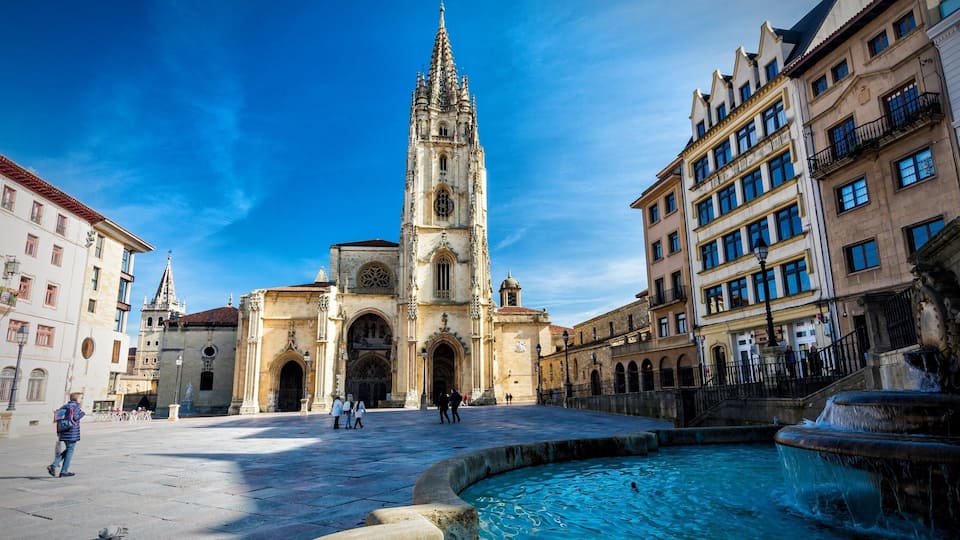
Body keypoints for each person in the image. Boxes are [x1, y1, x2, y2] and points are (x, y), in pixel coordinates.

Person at [48, 392, 85, 478]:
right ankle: (63, 470)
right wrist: (82, 414)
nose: (81, 400)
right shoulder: (75, 406)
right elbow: (75, 418)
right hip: (71, 432)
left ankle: (54, 466)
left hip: (63, 431)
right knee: (70, 450)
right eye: (81, 398)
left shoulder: (65, 406)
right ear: (77, 399)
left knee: (68, 449)